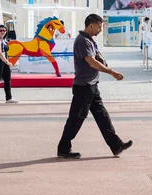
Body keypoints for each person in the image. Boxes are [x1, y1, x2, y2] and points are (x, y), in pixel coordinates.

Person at [57, 14, 133, 159]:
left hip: (92, 85)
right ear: (90, 25)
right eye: (99, 27)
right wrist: (111, 72)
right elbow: (91, 62)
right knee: (76, 119)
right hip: (84, 87)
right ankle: (63, 148)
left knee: (103, 116)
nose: (100, 30)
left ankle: (116, 145)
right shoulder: (82, 41)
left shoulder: (89, 40)